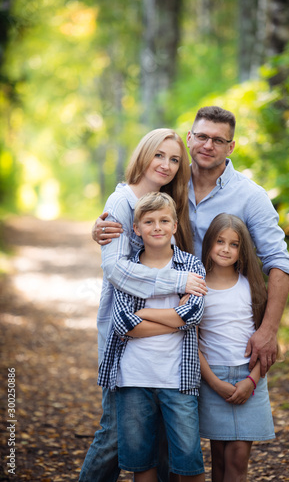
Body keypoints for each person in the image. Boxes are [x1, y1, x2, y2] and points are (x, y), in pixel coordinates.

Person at [94, 105, 289, 378]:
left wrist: (269, 330)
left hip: (225, 328)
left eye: (218, 140)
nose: (208, 145)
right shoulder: (168, 183)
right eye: (202, 137)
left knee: (221, 410)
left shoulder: (251, 197)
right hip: (165, 324)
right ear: (189, 138)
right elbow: (133, 204)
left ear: (231, 146)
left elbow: (279, 262)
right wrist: (102, 227)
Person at [79, 129, 207, 482]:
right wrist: (178, 284)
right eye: (159, 155)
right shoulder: (123, 202)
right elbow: (116, 268)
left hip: (166, 355)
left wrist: (177, 310)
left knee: (161, 441)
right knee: (115, 436)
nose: (166, 165)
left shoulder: (164, 200)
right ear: (144, 154)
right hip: (127, 344)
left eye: (175, 159)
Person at [99, 192, 206, 482]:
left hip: (178, 378)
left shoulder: (191, 267)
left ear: (174, 226)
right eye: (148, 221)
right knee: (141, 464)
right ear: (136, 229)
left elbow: (193, 316)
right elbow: (123, 324)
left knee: (189, 463)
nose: (157, 227)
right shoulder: (127, 270)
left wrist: (144, 314)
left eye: (164, 221)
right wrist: (175, 316)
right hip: (133, 377)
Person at [198, 213, 276, 481]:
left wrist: (251, 382)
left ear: (242, 250)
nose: (225, 249)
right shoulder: (198, 287)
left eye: (234, 244)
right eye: (220, 241)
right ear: (209, 243)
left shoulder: (252, 286)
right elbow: (191, 343)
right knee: (218, 458)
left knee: (238, 458)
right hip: (212, 378)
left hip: (249, 377)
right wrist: (215, 383)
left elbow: (267, 345)